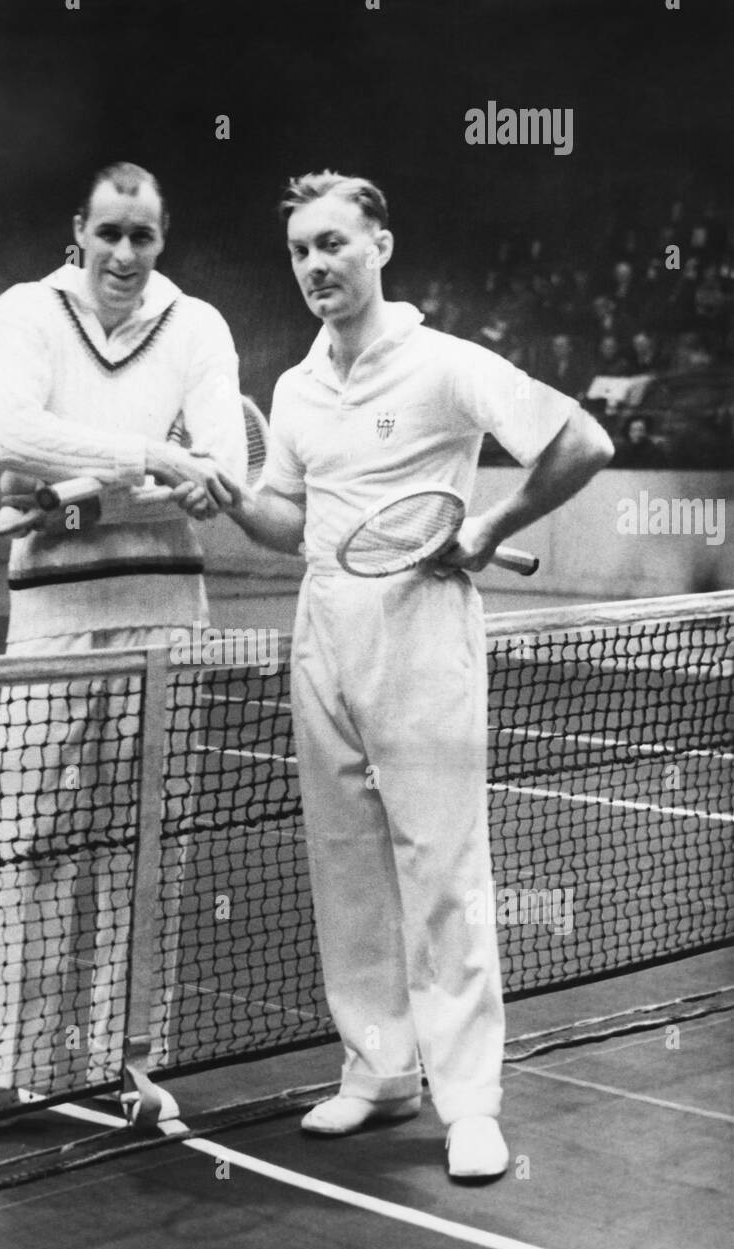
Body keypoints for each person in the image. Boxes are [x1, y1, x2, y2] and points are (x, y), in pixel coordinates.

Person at [186, 171, 613, 1180]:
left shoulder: (446, 365)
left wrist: (487, 524)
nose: (313, 266)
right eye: (298, 250)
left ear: (380, 242)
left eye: (332, 243)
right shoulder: (293, 388)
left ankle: (468, 1103)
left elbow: (582, 441)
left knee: (441, 873)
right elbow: (292, 522)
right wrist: (231, 504)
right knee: (345, 871)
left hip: (423, 635)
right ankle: (377, 1072)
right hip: (320, 629)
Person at [0, 161, 245, 1152]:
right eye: (108, 232)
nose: (124, 254)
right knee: (26, 847)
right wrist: (161, 458)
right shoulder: (23, 311)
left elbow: (224, 467)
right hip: (52, 628)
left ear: (162, 238)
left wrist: (74, 495)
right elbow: (10, 433)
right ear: (78, 230)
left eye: (142, 236)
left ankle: (130, 1068)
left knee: (151, 850)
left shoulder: (199, 326)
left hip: (165, 619)